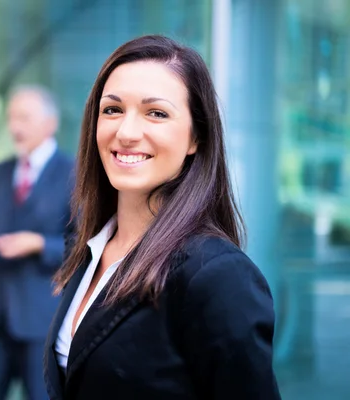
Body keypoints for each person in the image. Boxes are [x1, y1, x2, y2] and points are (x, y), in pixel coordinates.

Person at [43, 35, 282, 399]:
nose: (126, 132)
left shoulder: (216, 274)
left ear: (194, 139)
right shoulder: (90, 248)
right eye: (112, 110)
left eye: (156, 113)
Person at [0, 85, 75, 400]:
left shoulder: (75, 173)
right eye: (11, 117)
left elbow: (84, 248)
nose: (14, 127)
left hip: (42, 319)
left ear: (50, 124)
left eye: (24, 118)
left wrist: (38, 244)